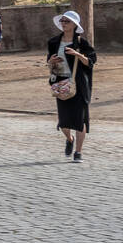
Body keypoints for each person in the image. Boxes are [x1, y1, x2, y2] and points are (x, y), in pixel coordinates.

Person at [48, 10, 96, 163]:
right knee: (63, 122)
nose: (63, 23)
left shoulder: (81, 42)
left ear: (74, 25)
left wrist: (78, 54)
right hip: (60, 83)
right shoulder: (54, 42)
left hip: (78, 85)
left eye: (66, 21)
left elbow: (91, 62)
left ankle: (78, 152)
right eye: (62, 21)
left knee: (80, 120)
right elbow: (48, 61)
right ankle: (69, 139)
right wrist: (51, 62)